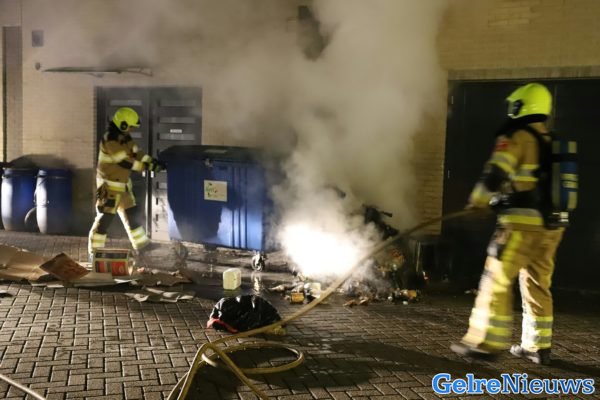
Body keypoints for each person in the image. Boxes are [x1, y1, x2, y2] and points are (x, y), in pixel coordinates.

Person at [451, 83, 566, 365]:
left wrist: (478, 201)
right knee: (537, 284)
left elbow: (496, 172)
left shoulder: (517, 137)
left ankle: (486, 343)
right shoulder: (550, 139)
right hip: (551, 229)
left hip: (520, 228)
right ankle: (537, 346)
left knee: (495, 280)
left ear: (521, 106)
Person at [88, 107, 166, 258]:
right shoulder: (110, 139)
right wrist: (147, 167)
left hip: (122, 186)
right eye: (130, 126)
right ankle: (94, 253)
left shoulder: (125, 138)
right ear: (123, 125)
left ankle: (142, 246)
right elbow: (124, 162)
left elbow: (137, 153)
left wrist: (153, 161)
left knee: (132, 215)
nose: (131, 129)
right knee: (104, 219)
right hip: (109, 188)